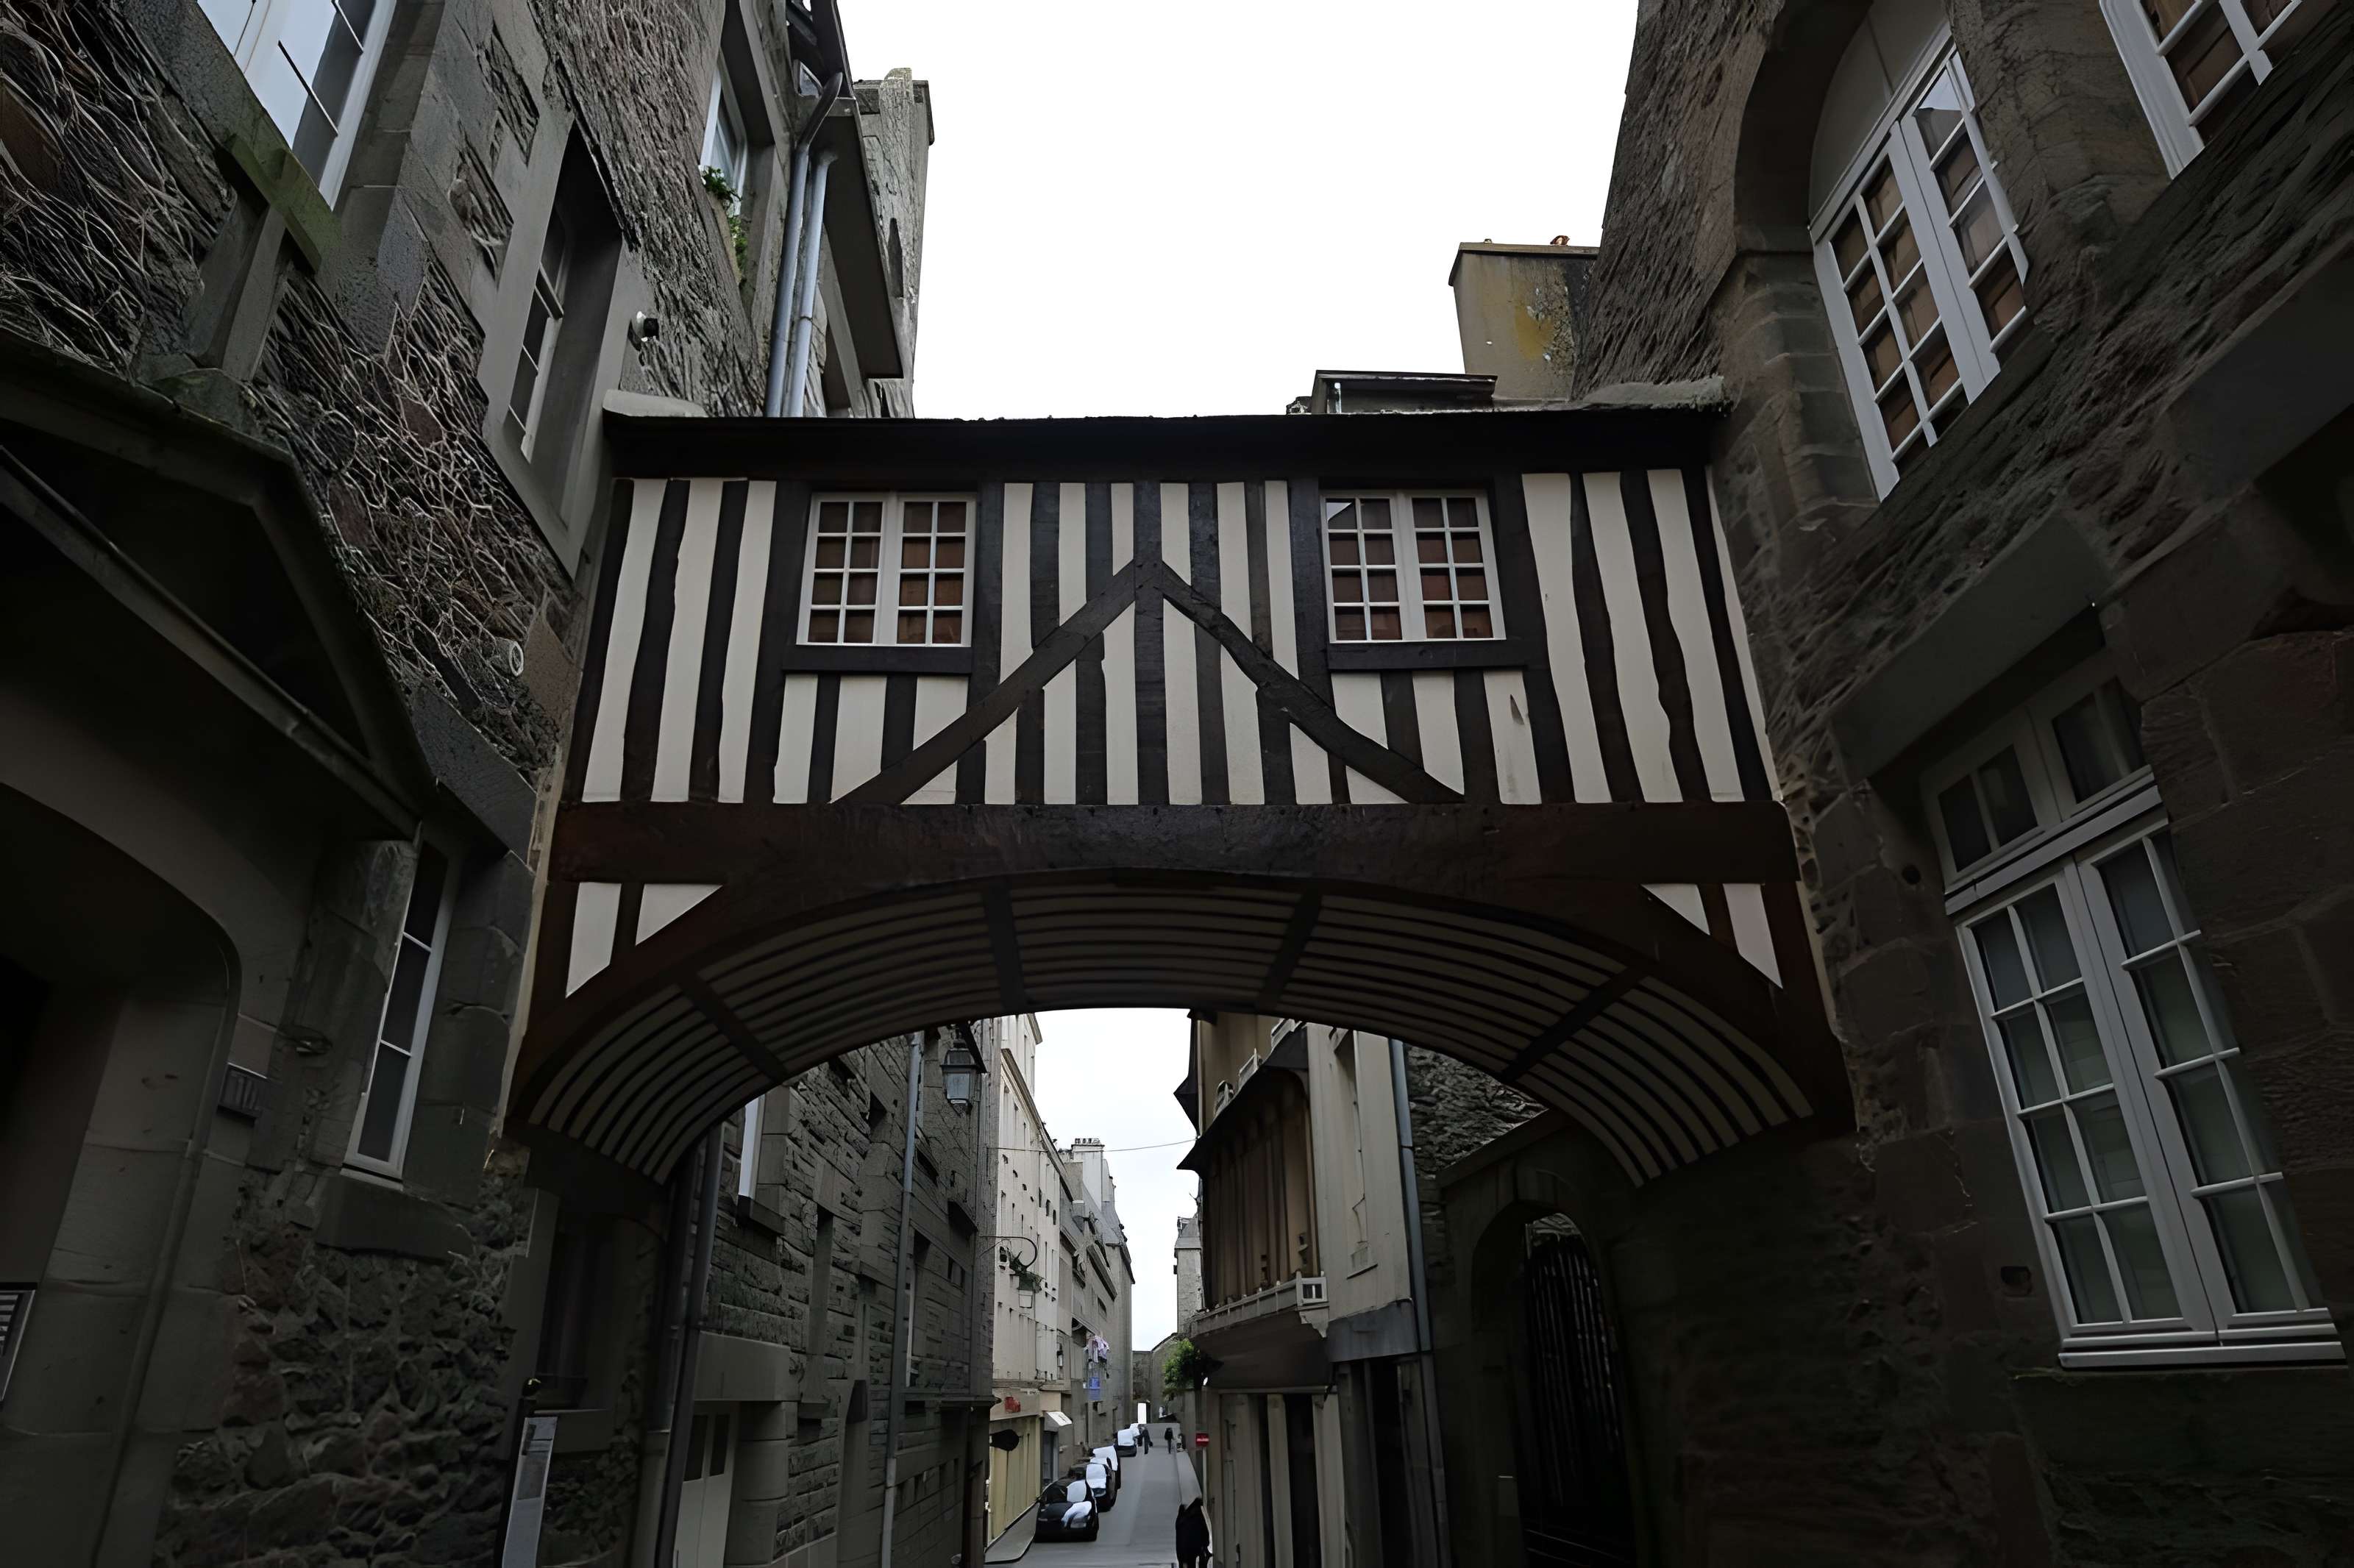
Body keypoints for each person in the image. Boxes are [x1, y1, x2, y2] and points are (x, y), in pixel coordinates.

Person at [1175, 1496, 1211, 1568]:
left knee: (1189, 1563)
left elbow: (1179, 1538)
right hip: (1196, 1547)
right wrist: (1206, 1544)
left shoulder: (1183, 1519)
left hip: (1185, 1549)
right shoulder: (1198, 1516)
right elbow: (1204, 1531)